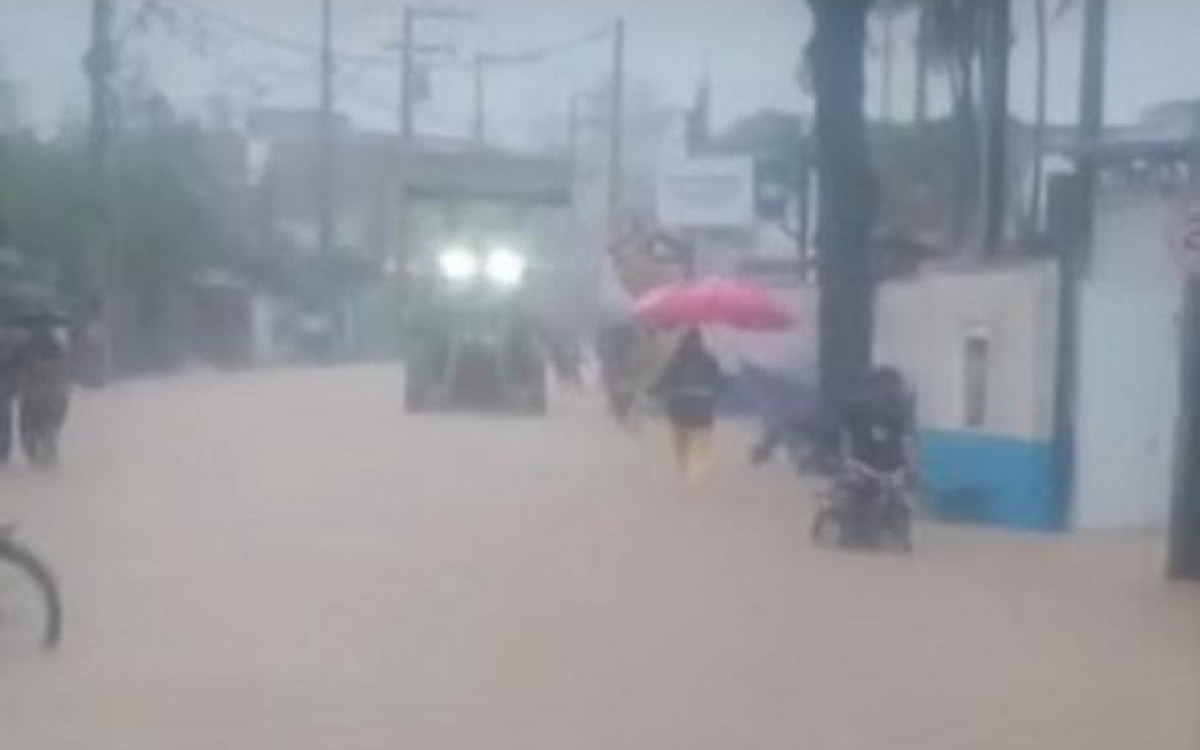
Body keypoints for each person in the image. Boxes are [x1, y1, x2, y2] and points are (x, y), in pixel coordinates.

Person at [653, 329, 724, 483]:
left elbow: (663, 381)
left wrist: (653, 392)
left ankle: (688, 471)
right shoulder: (710, 360)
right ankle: (694, 473)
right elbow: (719, 382)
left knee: (683, 444)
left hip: (680, 410)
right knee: (698, 443)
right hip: (702, 410)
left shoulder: (676, 360)